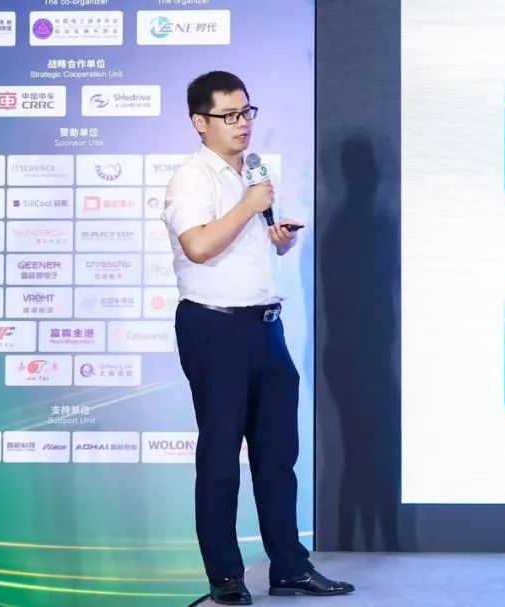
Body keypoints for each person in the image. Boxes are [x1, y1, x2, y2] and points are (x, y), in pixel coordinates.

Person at [163, 70, 354, 605]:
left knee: (277, 455)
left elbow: (250, 243)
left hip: (265, 327)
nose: (242, 123)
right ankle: (225, 577)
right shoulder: (191, 179)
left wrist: (276, 235)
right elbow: (199, 246)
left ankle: (289, 566)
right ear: (200, 122)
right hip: (214, 326)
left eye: (247, 112)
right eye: (229, 115)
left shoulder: (254, 173)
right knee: (221, 458)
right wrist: (248, 206)